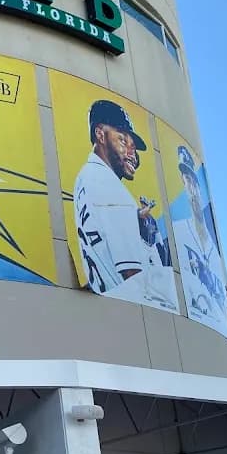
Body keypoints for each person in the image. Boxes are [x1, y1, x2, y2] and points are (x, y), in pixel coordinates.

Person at [72, 100, 175, 309]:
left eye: (133, 147)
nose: (132, 153)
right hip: (129, 312)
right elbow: (134, 280)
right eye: (123, 140)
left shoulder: (85, 177)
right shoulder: (107, 183)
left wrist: (138, 228)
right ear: (100, 134)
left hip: (106, 301)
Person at [172, 145, 227, 340]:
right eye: (186, 180)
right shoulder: (178, 232)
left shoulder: (216, 256)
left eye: (193, 180)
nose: (191, 188)